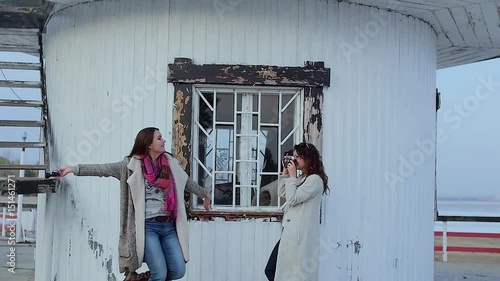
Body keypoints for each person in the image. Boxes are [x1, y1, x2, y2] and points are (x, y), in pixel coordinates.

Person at [58, 127, 211, 281]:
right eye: (159, 138)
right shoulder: (130, 166)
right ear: (148, 144)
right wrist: (74, 169)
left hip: (168, 226)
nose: (163, 140)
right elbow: (103, 169)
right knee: (160, 274)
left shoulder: (169, 164)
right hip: (148, 228)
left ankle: (140, 279)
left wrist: (204, 195)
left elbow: (187, 182)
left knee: (178, 271)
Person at [264, 142, 329, 281]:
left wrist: (292, 176)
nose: (294, 160)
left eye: (298, 157)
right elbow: (282, 193)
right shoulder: (301, 178)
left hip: (300, 238)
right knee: (272, 271)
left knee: (289, 275)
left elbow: (292, 199)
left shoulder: (315, 181)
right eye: (293, 156)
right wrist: (285, 172)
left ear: (309, 159)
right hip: (290, 234)